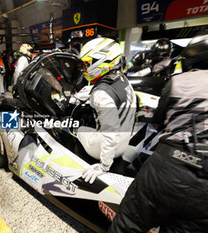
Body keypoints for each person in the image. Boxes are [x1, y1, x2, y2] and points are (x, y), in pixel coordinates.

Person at [109, 32, 208, 233]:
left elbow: (159, 121)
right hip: (204, 188)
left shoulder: (180, 80)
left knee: (127, 225)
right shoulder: (143, 59)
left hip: (167, 166)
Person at [76, 38, 137, 184]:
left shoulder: (101, 94)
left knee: (78, 129)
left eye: (86, 64)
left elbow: (110, 131)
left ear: (101, 62)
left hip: (109, 150)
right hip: (125, 141)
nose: (84, 68)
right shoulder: (122, 79)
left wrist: (103, 166)